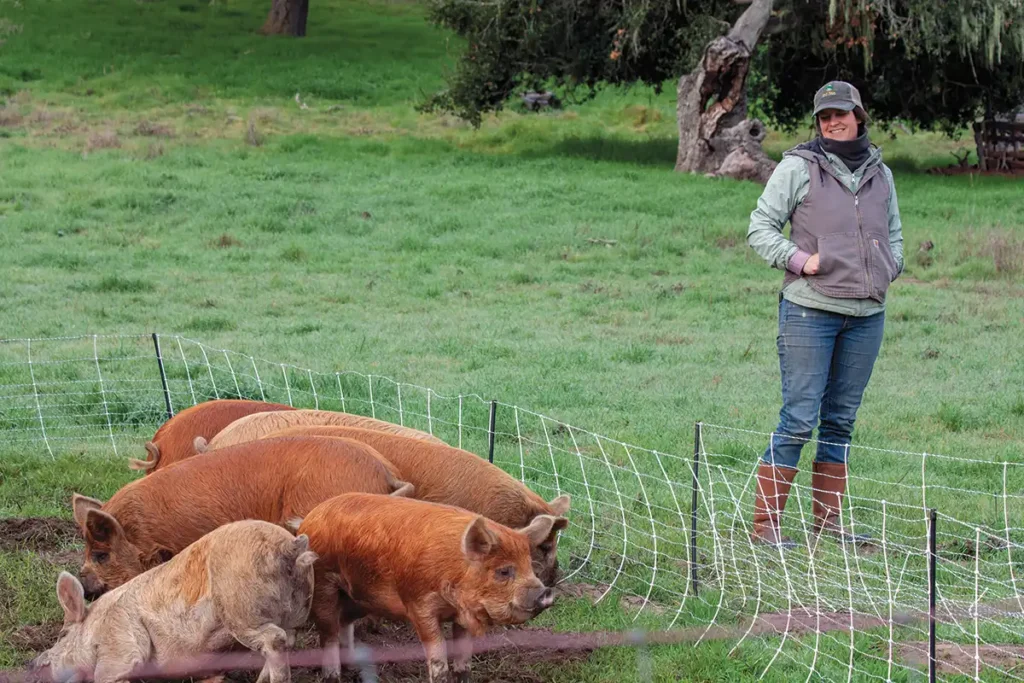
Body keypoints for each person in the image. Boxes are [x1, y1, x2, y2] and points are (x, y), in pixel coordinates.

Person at [745, 80, 905, 549]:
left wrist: (890, 265)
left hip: (867, 314)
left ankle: (828, 525)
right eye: (824, 116)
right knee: (798, 418)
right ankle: (766, 529)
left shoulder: (882, 174)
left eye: (841, 112)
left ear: (859, 115)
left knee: (840, 422)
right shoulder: (798, 166)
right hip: (810, 311)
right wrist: (801, 261)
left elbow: (893, 234)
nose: (833, 121)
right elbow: (760, 227)